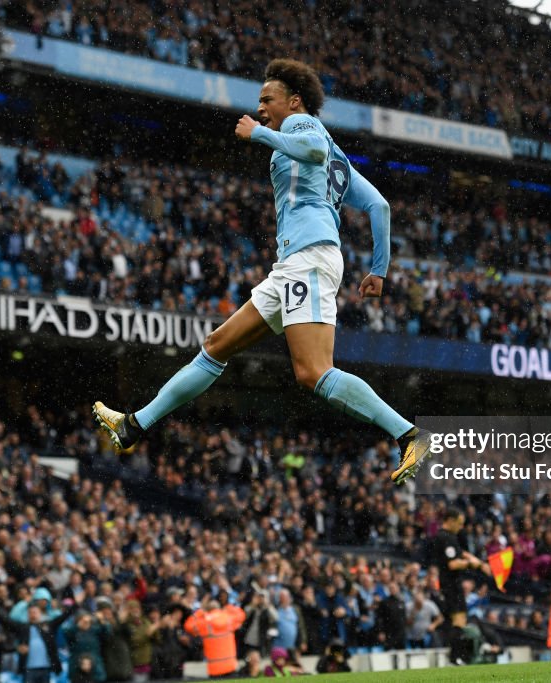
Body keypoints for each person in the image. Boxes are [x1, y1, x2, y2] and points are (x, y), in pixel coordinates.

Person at [93, 58, 434, 485]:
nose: (259, 107)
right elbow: (378, 206)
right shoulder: (340, 160)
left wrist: (259, 134)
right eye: (258, 103)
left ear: (293, 101)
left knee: (312, 372)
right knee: (216, 345)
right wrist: (378, 270)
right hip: (295, 264)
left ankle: (409, 434)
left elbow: (310, 150)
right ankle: (134, 426)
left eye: (266, 99)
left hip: (307, 258)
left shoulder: (300, 125)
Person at [424, 508, 491, 663]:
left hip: (452, 584)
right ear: (451, 520)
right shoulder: (445, 537)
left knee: (459, 620)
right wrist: (474, 565)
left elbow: (461, 553)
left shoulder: (449, 537)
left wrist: (480, 563)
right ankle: (455, 657)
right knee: (458, 620)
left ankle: (457, 657)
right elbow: (453, 563)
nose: (461, 527)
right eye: (459, 523)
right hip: (450, 584)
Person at [183, 597, 245, 678]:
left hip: (214, 669)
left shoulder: (204, 622)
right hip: (230, 666)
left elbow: (188, 625)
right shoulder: (228, 618)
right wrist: (228, 607)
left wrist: (200, 611)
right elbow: (241, 615)